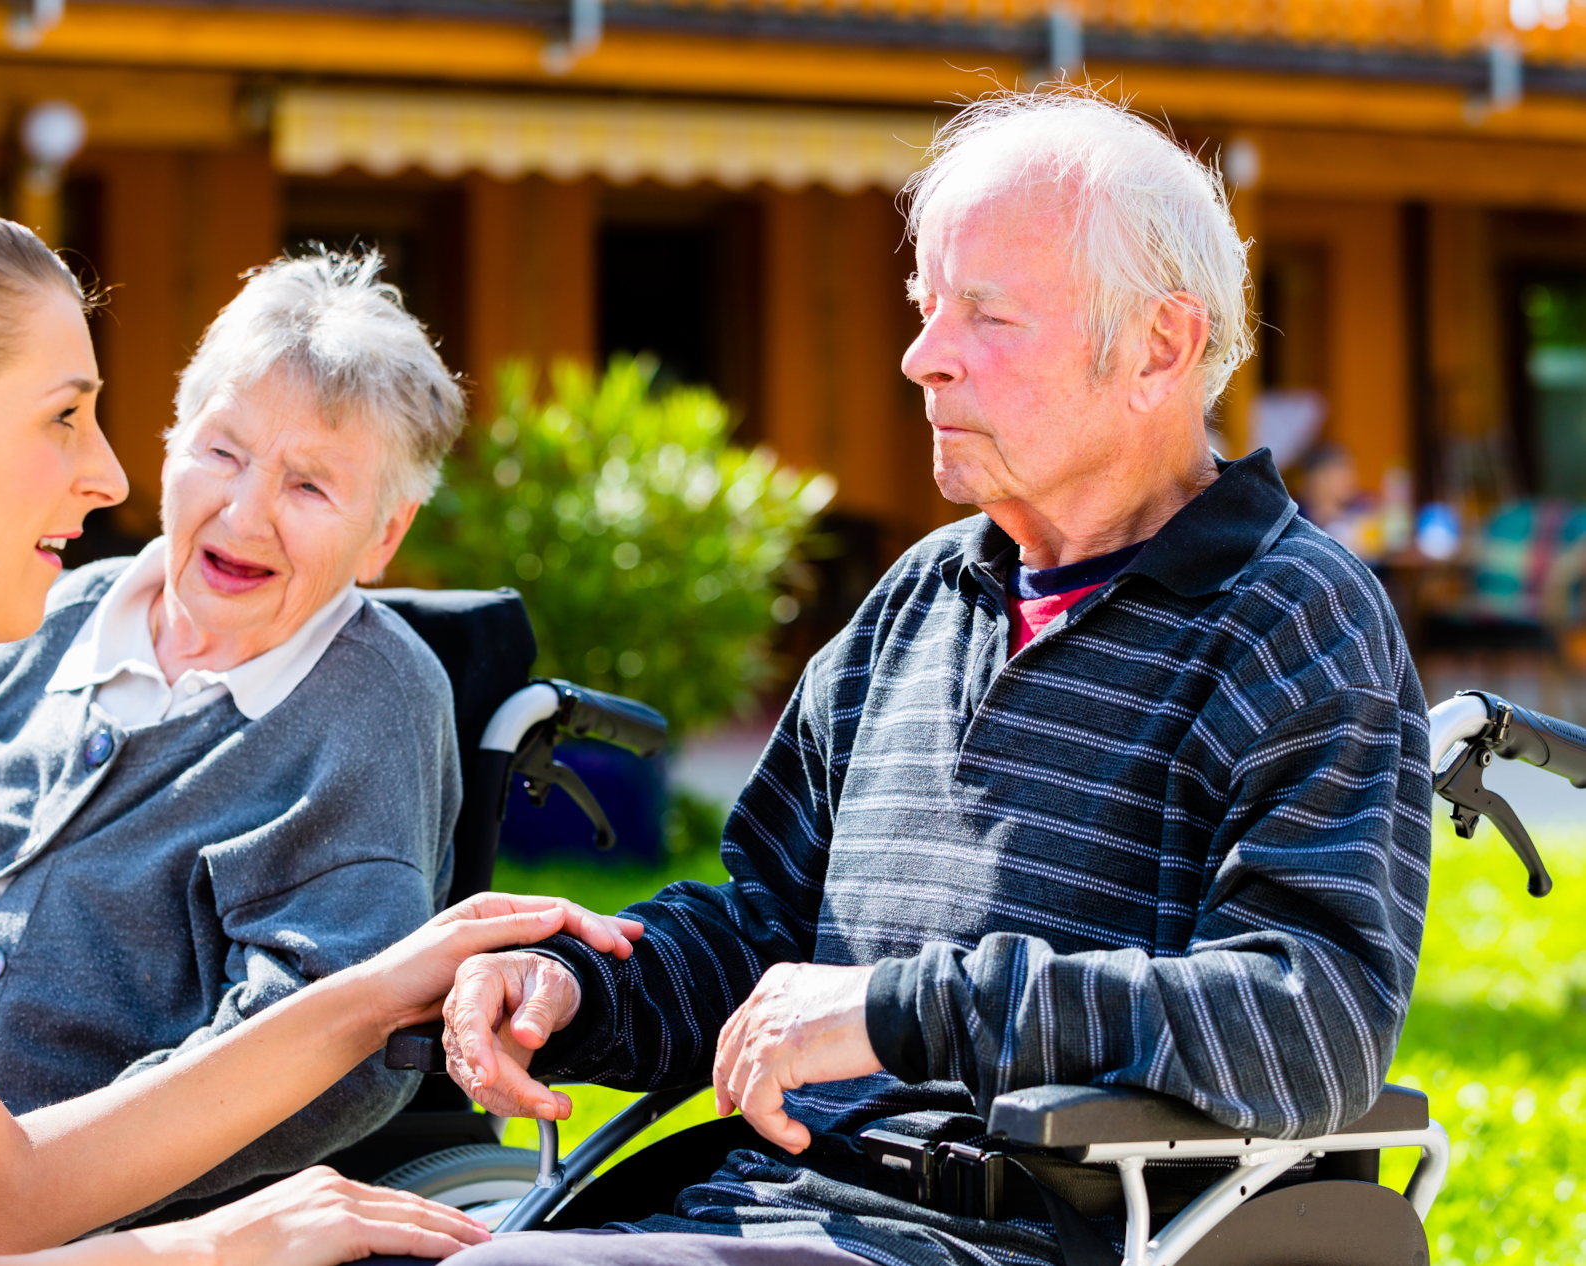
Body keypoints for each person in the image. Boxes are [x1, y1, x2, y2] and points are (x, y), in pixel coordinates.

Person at [428, 90, 1431, 1266]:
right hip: (763, 1203)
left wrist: (901, 1009)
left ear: (1160, 346)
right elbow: (765, 928)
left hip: (1000, 1236)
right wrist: (575, 991)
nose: (921, 358)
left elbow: (1310, 1025)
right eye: (926, 309)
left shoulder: (1291, 618)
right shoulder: (924, 594)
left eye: (987, 318)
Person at [0, 196, 640, 1266]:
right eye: (62, 418)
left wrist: (372, 994)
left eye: (311, 484)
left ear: (385, 534)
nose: (113, 479)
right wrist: (209, 1254)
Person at [0, 248, 472, 1217]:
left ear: (384, 535)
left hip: (24, 1206)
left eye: (310, 487)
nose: (244, 512)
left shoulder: (372, 703)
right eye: (223, 450)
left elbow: (329, 1044)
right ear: (168, 444)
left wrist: (50, 1180)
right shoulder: (57, 606)